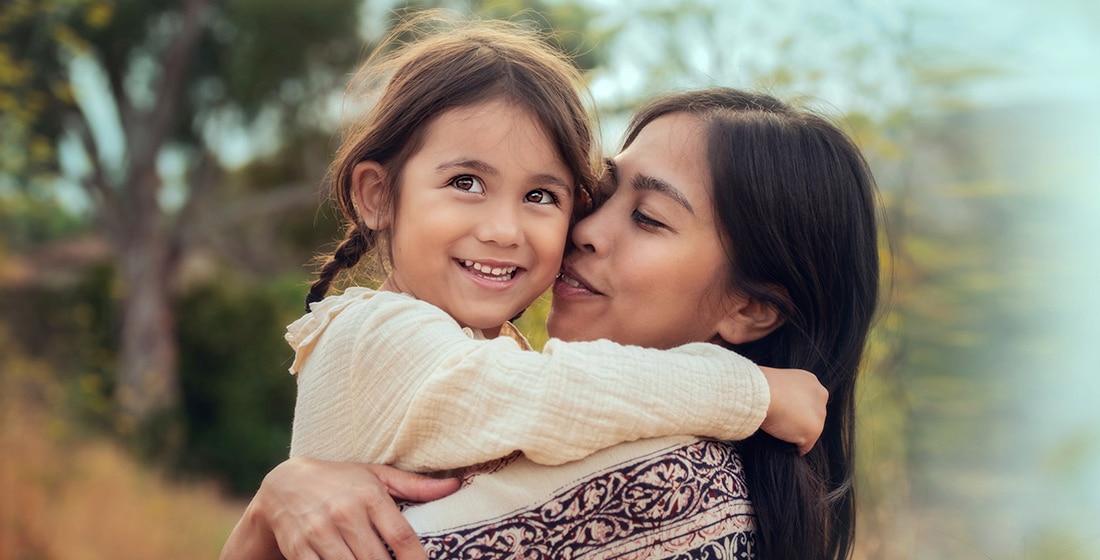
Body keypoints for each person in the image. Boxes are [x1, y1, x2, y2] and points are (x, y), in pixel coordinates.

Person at [222, 88, 879, 559]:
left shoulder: (674, 486)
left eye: (647, 217)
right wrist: (752, 389)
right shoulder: (400, 338)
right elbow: (537, 394)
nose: (584, 229)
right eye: (600, 193)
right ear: (377, 196)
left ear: (750, 308)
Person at [283, 17, 828, 482]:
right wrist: (752, 391)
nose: (503, 230)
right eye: (466, 182)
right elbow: (555, 397)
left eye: (540, 195)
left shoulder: (490, 350)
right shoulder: (374, 335)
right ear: (378, 196)